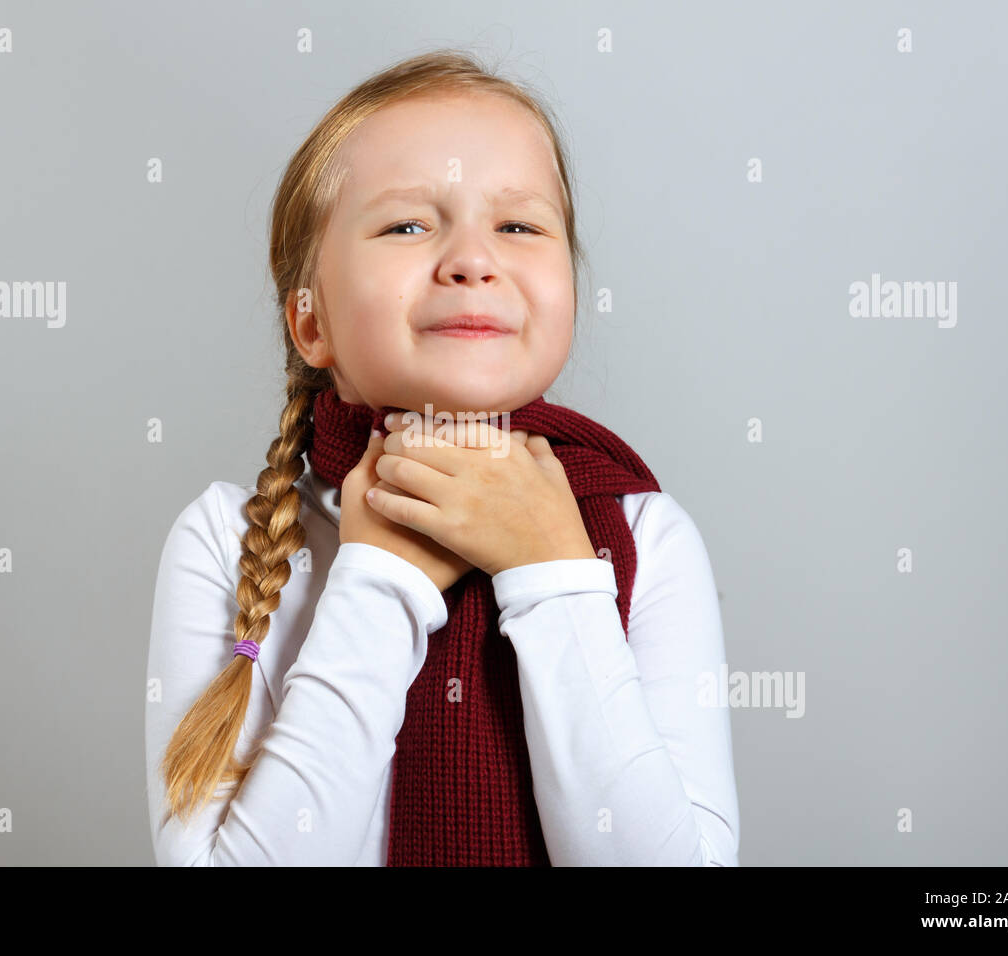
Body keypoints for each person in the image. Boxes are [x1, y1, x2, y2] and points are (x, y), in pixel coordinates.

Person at [144, 49, 740, 866]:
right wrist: (378, 584)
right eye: (408, 225)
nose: (472, 258)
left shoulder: (647, 537)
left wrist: (554, 572)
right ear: (310, 323)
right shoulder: (228, 543)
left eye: (519, 226)